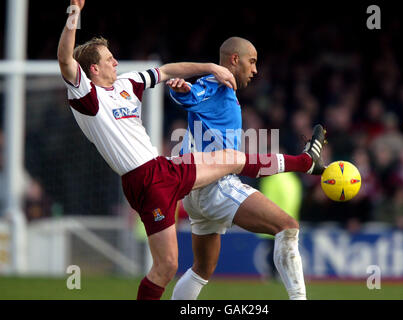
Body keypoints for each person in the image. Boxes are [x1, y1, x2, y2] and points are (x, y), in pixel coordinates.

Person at [59, 2, 326, 300]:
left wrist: (210, 66)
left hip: (164, 170)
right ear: (93, 69)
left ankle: (304, 162)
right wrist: (73, 15)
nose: (116, 63)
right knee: (276, 216)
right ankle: (304, 163)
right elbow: (65, 61)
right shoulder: (88, 96)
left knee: (178, 267)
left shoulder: (126, 83)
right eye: (109, 60)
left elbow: (167, 70)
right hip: (148, 179)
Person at [167, 37, 326, 300]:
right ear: (234, 60)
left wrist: (183, 92)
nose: (255, 70)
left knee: (202, 269)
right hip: (214, 185)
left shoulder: (224, 91)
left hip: (197, 189)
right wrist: (181, 91)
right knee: (287, 226)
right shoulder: (216, 83)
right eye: (251, 62)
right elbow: (190, 95)